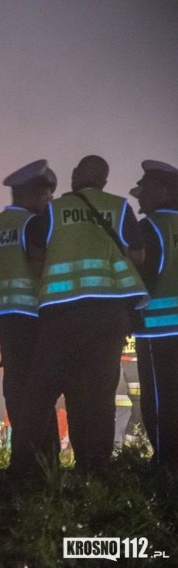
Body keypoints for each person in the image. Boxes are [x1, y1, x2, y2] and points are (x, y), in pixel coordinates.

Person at [9, 155, 150, 477]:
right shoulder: (120, 207)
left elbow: (34, 259)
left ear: (74, 176)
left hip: (62, 316)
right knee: (99, 395)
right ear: (104, 180)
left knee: (41, 392)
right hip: (108, 317)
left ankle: (23, 468)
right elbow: (138, 257)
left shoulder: (53, 211)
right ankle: (94, 470)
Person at [0, 159, 61, 472]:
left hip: (5, 320)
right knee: (40, 391)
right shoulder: (33, 225)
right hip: (35, 318)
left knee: (16, 388)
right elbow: (39, 267)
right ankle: (42, 461)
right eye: (47, 195)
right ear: (35, 194)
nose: (49, 202)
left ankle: (22, 459)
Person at [130, 159, 178, 474]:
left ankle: (164, 462)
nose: (138, 198)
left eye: (143, 191)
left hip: (157, 329)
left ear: (164, 190)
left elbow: (142, 278)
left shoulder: (150, 228)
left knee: (160, 399)